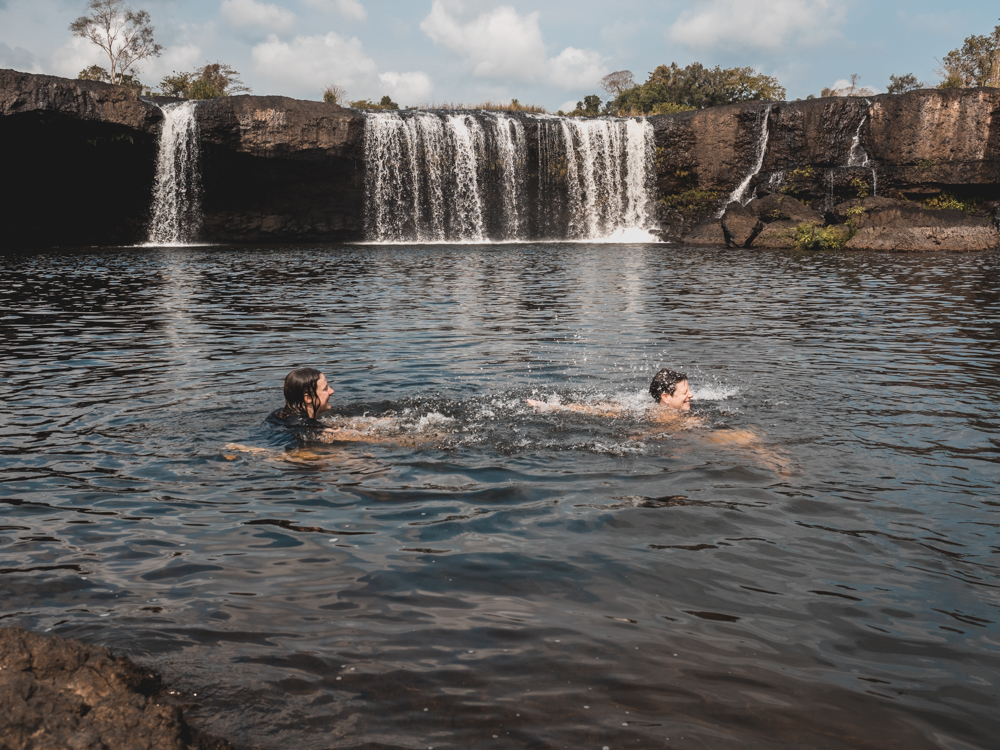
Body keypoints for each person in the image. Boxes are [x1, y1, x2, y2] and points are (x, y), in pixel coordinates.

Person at [526, 368, 694, 419]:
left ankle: (551, 407)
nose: (691, 395)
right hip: (638, 417)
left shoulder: (649, 409)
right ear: (665, 397)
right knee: (602, 410)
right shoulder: (671, 419)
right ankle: (550, 408)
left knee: (601, 409)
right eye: (685, 392)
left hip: (637, 412)